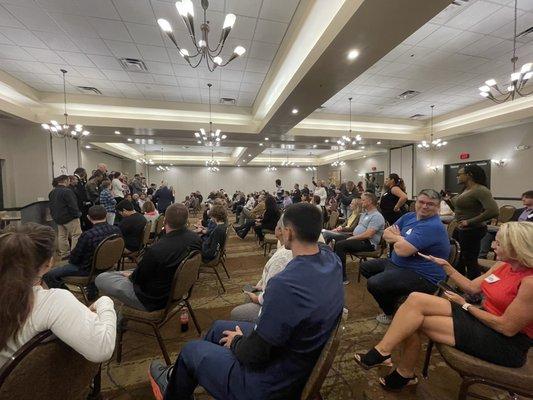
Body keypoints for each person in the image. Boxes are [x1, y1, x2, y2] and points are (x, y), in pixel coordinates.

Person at [149, 202, 344, 400]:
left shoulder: (284, 284)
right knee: (218, 328)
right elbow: (320, 244)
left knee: (190, 350)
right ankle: (186, 375)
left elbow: (255, 355)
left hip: (271, 383)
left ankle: (173, 389)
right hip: (296, 349)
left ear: (289, 233)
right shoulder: (332, 260)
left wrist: (237, 342)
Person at [354, 222, 533, 391]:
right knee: (414, 300)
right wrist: (447, 267)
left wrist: (466, 306)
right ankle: (385, 353)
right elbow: (472, 287)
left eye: (499, 243)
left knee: (411, 321)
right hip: (484, 319)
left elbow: (507, 328)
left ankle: (403, 371)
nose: (493, 246)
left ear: (516, 248)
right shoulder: (503, 265)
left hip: (505, 342)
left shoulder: (529, 282)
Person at [0, 223, 117, 368]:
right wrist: (105, 301)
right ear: (49, 263)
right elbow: (102, 348)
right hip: (32, 386)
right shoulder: (53, 302)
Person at [360, 189, 450, 325]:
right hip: (399, 264)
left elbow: (402, 251)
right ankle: (395, 295)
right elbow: (385, 233)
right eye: (421, 202)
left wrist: (396, 238)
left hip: (424, 275)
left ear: (437, 207)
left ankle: (391, 313)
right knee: (365, 267)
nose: (425, 206)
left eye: (430, 204)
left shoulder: (433, 226)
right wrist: (401, 240)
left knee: (375, 283)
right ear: (416, 202)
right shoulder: (409, 216)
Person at [96, 204, 201, 311]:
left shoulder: (156, 250)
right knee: (122, 273)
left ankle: (124, 312)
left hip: (152, 299)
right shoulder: (196, 239)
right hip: (175, 289)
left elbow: (138, 280)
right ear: (186, 220)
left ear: (165, 220)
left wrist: (131, 275)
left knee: (101, 278)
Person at [42, 205, 121, 299]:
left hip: (87, 270)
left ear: (88, 217)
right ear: (106, 215)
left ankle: (66, 298)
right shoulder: (116, 230)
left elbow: (75, 259)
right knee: (90, 260)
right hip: (108, 265)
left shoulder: (88, 235)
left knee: (48, 275)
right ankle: (92, 292)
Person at [231, 218, 293, 323]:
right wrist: (260, 287)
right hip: (271, 295)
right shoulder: (285, 248)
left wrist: (256, 298)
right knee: (249, 295)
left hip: (274, 308)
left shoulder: (282, 257)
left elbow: (272, 294)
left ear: (282, 230)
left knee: (236, 313)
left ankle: (251, 334)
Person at [447, 164, 499, 279]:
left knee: (470, 259)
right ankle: (461, 283)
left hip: (472, 229)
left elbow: (493, 211)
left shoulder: (481, 190)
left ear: (469, 175)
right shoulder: (465, 189)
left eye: (459, 174)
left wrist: (469, 221)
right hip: (461, 228)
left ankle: (473, 288)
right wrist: (448, 201)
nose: (457, 177)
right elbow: (459, 210)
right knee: (459, 257)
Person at [334, 192, 386, 284]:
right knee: (337, 238)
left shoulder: (377, 216)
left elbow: (368, 235)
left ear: (369, 201)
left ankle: (342, 278)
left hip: (368, 243)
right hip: (359, 239)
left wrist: (352, 238)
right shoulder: (365, 214)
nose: (361, 202)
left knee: (340, 245)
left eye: (363, 200)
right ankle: (335, 270)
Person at [479, 190, 533, 258]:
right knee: (488, 232)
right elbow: (510, 222)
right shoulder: (519, 211)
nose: (523, 199)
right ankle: (481, 256)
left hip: (524, 233)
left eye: (526, 197)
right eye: (523, 197)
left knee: (489, 228)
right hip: (510, 230)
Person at [48, 175, 82, 258]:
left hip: (58, 217)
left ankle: (64, 254)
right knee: (76, 235)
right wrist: (77, 214)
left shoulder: (52, 192)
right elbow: (72, 205)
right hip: (69, 217)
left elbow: (51, 205)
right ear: (65, 181)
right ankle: (75, 254)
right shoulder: (67, 191)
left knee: (62, 236)